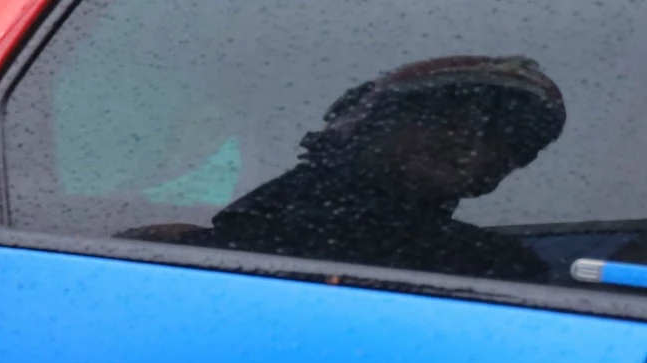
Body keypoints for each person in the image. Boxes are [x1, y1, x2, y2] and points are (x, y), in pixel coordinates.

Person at [204, 55, 567, 283]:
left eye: (491, 136)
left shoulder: (498, 264)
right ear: (367, 129)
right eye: (440, 119)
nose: (462, 142)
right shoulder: (275, 219)